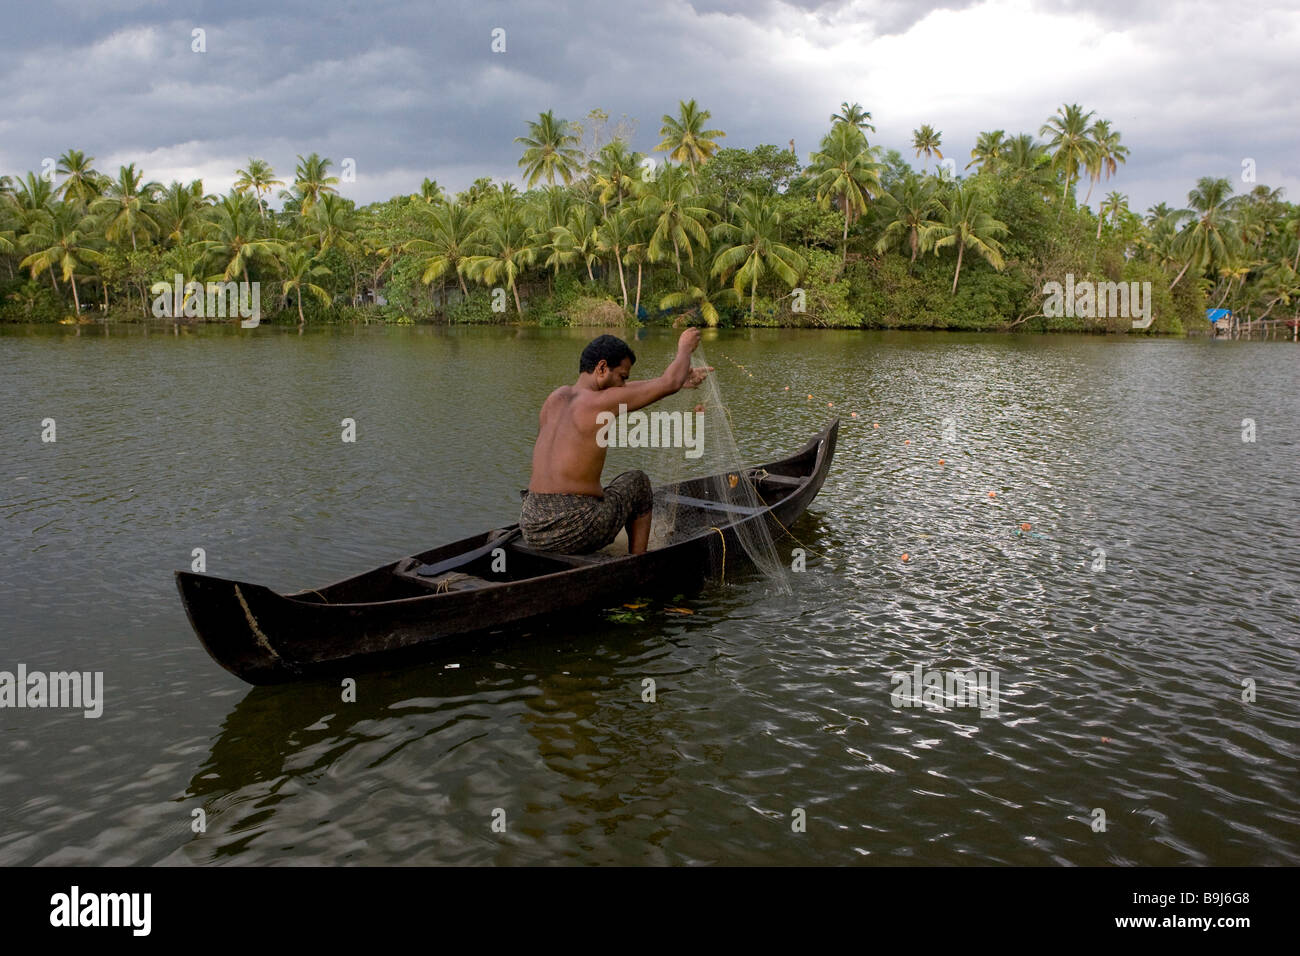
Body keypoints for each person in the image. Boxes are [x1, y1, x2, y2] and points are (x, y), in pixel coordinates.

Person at [520, 330, 712, 555]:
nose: (623, 386)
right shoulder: (599, 403)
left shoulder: (556, 398)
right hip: (574, 528)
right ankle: (637, 563)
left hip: (531, 524)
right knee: (638, 482)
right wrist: (685, 349)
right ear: (601, 368)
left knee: (612, 485)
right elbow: (669, 383)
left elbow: (636, 389)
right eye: (622, 377)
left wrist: (679, 382)